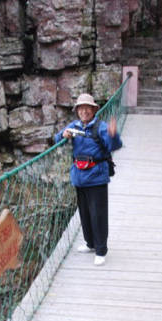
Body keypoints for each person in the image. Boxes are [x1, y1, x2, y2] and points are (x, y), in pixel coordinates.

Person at [54, 93, 122, 266]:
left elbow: (114, 146)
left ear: (93, 110)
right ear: (77, 111)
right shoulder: (74, 126)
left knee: (98, 214)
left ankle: (101, 250)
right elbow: (56, 139)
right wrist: (64, 135)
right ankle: (90, 243)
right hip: (79, 177)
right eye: (81, 108)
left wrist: (113, 135)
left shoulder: (100, 127)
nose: (84, 111)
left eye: (87, 108)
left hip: (97, 177)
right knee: (84, 212)